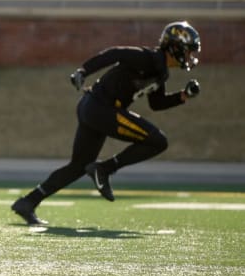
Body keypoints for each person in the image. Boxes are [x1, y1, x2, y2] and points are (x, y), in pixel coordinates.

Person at [12, 21, 202, 225]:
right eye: (189, 51)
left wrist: (182, 96)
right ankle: (105, 169)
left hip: (92, 107)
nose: (191, 56)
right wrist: (84, 71)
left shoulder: (160, 71)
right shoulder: (147, 58)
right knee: (158, 141)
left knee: (79, 166)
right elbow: (114, 54)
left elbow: (156, 103)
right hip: (102, 109)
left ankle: (28, 202)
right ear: (176, 47)